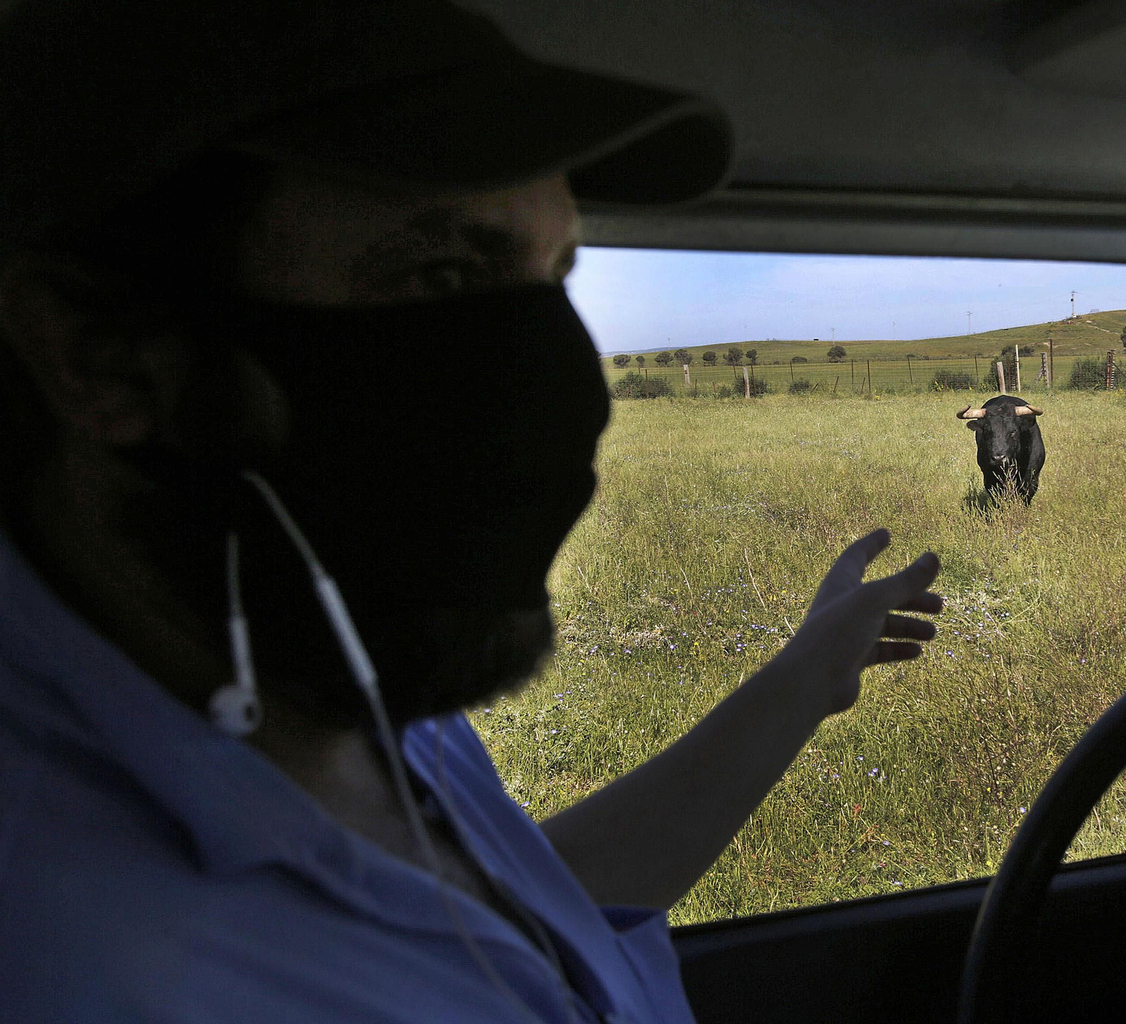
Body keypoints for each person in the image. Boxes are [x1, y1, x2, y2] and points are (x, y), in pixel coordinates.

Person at [0, 2, 943, 1020]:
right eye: (440, 271)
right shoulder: (83, 957)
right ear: (101, 354)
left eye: (557, 273)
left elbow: (504, 918)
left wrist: (804, 675)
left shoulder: (324, 649)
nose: (569, 393)